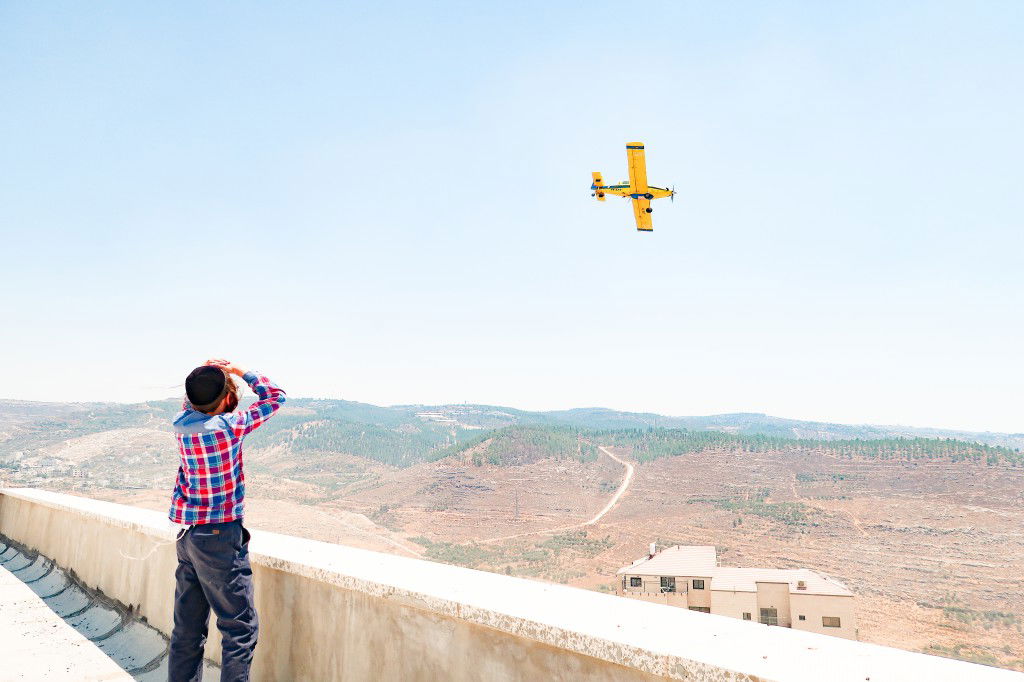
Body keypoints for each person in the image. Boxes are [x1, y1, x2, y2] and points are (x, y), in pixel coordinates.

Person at [167, 358, 286, 682]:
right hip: (220, 537)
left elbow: (193, 403)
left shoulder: (181, 424)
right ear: (225, 400)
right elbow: (275, 397)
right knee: (239, 629)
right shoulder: (230, 427)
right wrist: (240, 371)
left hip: (187, 537)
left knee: (187, 631)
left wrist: (206, 377)